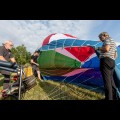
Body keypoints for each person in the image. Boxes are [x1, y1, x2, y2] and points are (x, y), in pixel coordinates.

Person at [95, 32, 118, 100]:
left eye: (100, 37)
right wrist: (111, 58)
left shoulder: (107, 39)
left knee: (107, 81)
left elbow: (106, 49)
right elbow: (116, 55)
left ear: (104, 35)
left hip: (105, 61)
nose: (100, 39)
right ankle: (114, 97)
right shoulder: (113, 42)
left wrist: (97, 48)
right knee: (111, 81)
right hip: (112, 62)